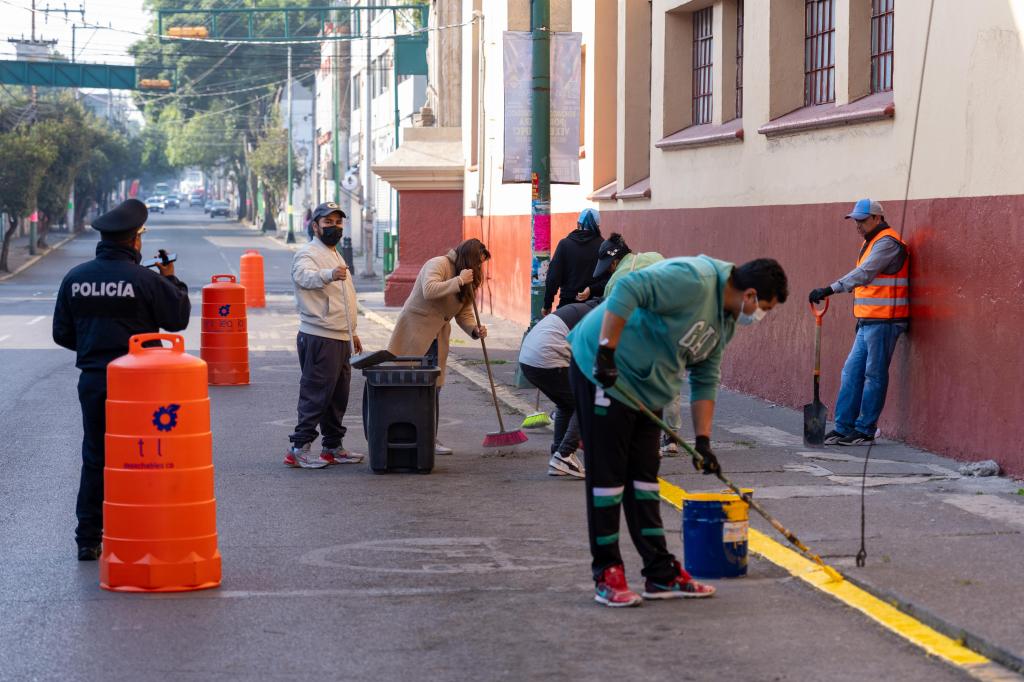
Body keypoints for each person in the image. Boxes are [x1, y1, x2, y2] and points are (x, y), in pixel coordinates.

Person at [568, 256, 788, 606]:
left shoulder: (726, 321)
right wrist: (607, 351)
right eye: (763, 307)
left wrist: (703, 442)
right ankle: (607, 573)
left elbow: (705, 378)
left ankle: (660, 573)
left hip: (646, 387)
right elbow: (628, 287)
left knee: (643, 481)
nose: (758, 316)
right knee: (608, 480)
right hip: (604, 370)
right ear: (749, 294)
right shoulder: (694, 280)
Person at [52, 199, 191, 561]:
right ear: (135, 241)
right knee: (147, 456)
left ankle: (87, 538)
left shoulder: (76, 278)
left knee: (95, 457)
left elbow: (61, 334)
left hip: (95, 381)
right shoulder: (145, 279)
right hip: (141, 387)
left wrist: (94, 350)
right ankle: (144, 529)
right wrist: (170, 277)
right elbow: (177, 319)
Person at [809, 199, 909, 446]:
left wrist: (830, 289)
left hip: (886, 320)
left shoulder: (887, 242)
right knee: (851, 372)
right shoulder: (870, 241)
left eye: (862, 220)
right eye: (856, 220)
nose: (858, 225)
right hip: (868, 321)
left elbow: (865, 273)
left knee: (873, 375)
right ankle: (843, 428)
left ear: (878, 218)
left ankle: (865, 429)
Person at [387, 239, 490, 456]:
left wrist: (474, 330)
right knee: (411, 386)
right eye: (477, 263)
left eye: (482, 264)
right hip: (415, 331)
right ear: (467, 259)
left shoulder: (469, 278)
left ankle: (428, 437)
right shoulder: (439, 264)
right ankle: (405, 435)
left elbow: (464, 313)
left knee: (433, 389)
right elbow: (429, 290)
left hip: (438, 337)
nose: (479, 268)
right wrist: (459, 281)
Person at [286, 202, 364, 469]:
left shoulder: (335, 253)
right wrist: (328, 274)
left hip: (340, 336)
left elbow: (343, 297)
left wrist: (352, 332)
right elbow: (302, 278)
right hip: (320, 336)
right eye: (327, 222)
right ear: (315, 226)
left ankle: (332, 447)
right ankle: (299, 448)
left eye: (338, 222)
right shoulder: (308, 253)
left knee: (337, 396)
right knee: (316, 394)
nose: (334, 227)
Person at [518, 298, 600, 479]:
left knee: (567, 404)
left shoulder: (580, 309)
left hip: (528, 361)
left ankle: (558, 454)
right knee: (586, 402)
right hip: (546, 359)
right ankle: (564, 454)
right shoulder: (598, 317)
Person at [543, 208, 604, 314]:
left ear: (578, 224)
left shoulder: (565, 244)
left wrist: (547, 305)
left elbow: (553, 278)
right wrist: (592, 289)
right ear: (598, 226)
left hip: (567, 307)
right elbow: (609, 278)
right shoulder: (603, 246)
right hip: (594, 309)